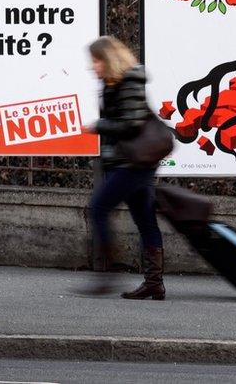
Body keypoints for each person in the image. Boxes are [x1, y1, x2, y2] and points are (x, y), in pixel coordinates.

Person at [82, 36, 165, 300]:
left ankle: (107, 276)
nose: (92, 66)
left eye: (95, 61)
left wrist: (98, 126)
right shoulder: (112, 84)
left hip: (133, 163)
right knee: (145, 221)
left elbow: (132, 123)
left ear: (107, 59)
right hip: (133, 163)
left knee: (98, 208)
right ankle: (154, 283)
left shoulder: (128, 81)